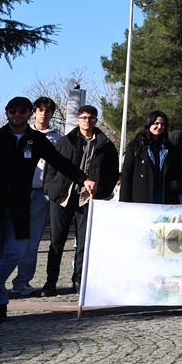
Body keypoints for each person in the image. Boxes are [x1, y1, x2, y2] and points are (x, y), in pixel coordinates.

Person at [0, 96, 94, 323]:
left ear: (29, 113)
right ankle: (0, 306)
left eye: (22, 111)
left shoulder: (36, 140)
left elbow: (59, 162)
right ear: (6, 113)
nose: (17, 114)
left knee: (15, 252)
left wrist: (83, 179)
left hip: (19, 207)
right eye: (12, 110)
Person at [41, 104, 118, 296]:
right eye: (83, 117)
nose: (87, 121)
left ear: (95, 120)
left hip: (88, 199)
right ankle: (51, 282)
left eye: (91, 118)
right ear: (77, 119)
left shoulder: (105, 144)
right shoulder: (65, 141)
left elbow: (111, 172)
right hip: (62, 197)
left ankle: (79, 280)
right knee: (56, 242)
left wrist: (102, 192)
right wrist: (51, 188)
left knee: (84, 243)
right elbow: (52, 166)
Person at [11, 95, 62, 298]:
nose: (43, 113)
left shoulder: (57, 139)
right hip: (16, 192)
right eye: (40, 109)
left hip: (41, 195)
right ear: (33, 112)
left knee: (32, 243)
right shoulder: (21, 132)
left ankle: (22, 281)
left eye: (47, 111)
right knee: (9, 240)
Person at [119, 111, 182, 205]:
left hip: (163, 198)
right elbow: (127, 174)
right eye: (156, 123)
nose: (159, 127)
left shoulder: (168, 147)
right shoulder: (136, 146)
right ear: (148, 124)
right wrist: (124, 202)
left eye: (162, 124)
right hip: (141, 198)